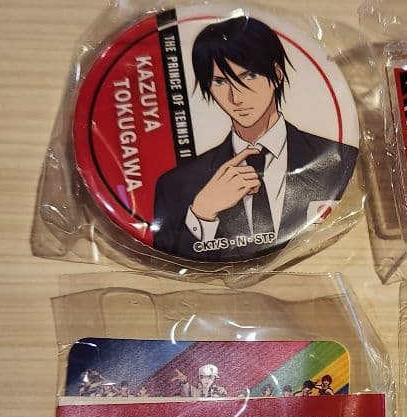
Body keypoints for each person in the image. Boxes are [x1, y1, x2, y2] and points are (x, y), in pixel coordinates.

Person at [152, 16, 358, 261]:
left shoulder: (338, 158)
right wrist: (202, 214)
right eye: (220, 81)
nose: (235, 97)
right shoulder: (175, 185)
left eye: (248, 76)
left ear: (277, 74)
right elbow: (169, 258)